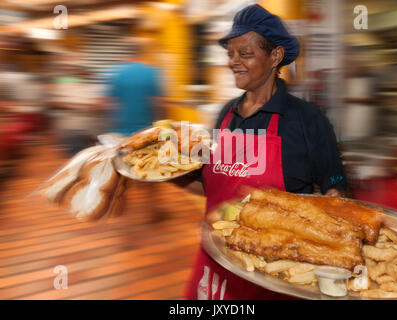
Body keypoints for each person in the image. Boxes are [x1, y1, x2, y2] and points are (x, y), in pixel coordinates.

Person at [181, 4, 348, 300]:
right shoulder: (226, 114)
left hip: (275, 276)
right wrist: (166, 174)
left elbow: (336, 185)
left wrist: (333, 203)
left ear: (275, 56)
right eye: (230, 54)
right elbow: (211, 187)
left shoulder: (307, 120)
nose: (234, 62)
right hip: (216, 269)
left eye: (244, 53)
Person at [104, 38, 162, 136]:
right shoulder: (152, 72)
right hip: (146, 133)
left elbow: (108, 104)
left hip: (121, 133)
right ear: (142, 52)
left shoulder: (116, 73)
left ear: (125, 52)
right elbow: (159, 105)